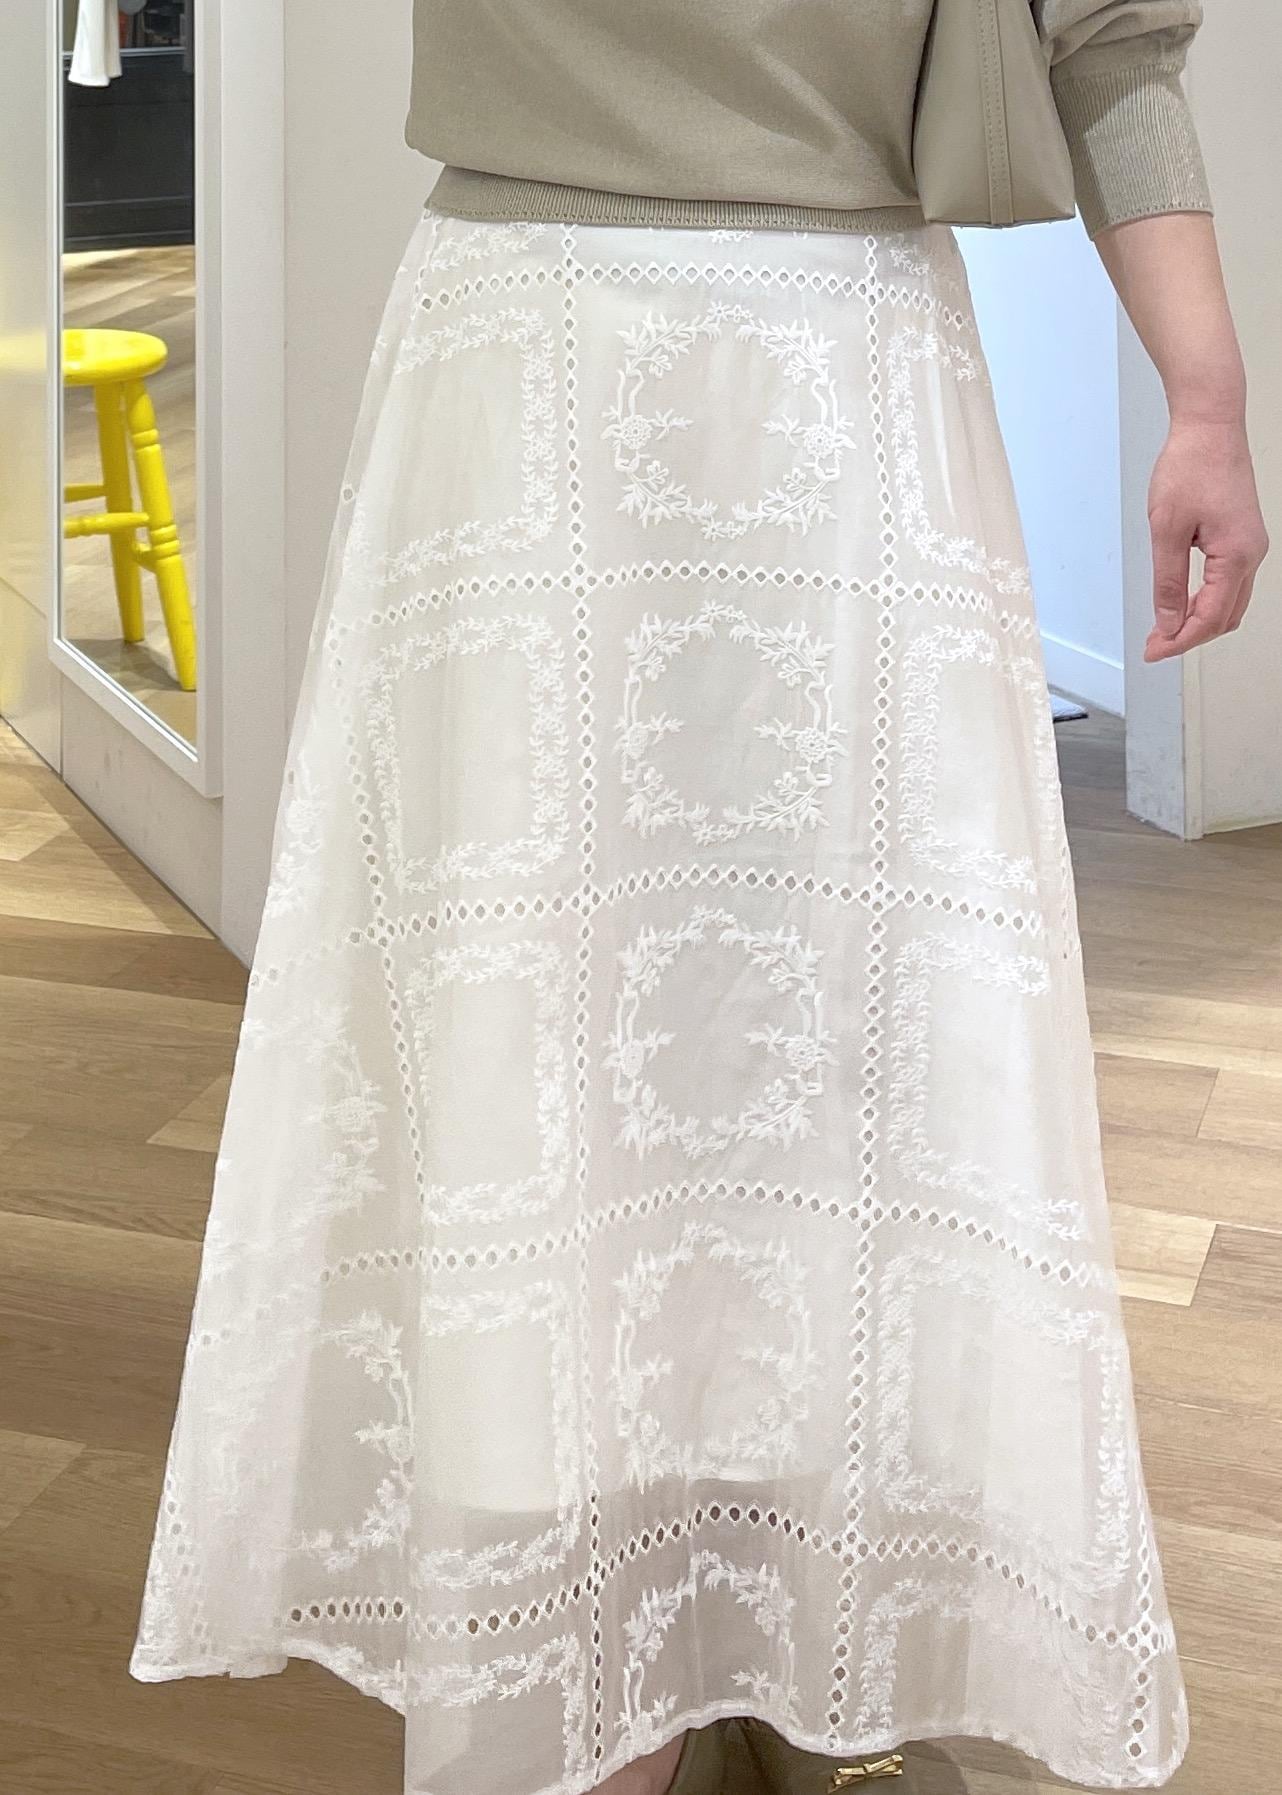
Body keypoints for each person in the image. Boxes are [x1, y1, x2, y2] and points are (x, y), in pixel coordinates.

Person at [129, 4, 1269, 1795]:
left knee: (792, 1015)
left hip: (767, 356)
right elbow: (1108, 48)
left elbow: (1109, 41)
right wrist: (1200, 398)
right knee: (575, 1011)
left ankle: (757, 1595)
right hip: (593, 346)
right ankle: (618, 1636)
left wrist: (1205, 400)